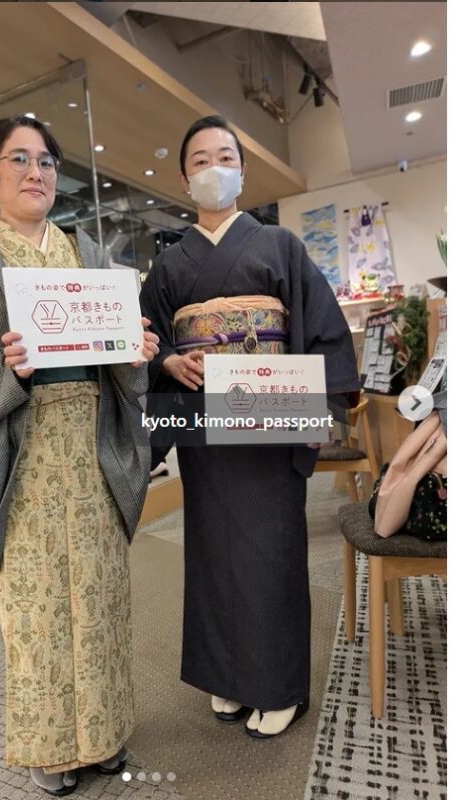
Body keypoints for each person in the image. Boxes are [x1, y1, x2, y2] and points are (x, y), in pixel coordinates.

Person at [0, 115, 159, 796]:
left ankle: (103, 733)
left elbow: (119, 357)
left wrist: (134, 351)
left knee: (102, 595)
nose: (35, 172)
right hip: (25, 453)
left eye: (45, 160)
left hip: (92, 447)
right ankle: (52, 747)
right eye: (18, 159)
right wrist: (3, 367)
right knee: (37, 604)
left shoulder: (87, 251)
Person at [140, 115, 360, 740]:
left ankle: (279, 686)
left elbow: (322, 329)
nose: (214, 169)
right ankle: (229, 678)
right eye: (201, 160)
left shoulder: (280, 245)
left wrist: (317, 407)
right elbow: (145, 337)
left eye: (225, 157)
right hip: (204, 423)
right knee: (212, 554)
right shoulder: (170, 265)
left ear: (242, 171)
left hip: (270, 417)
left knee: (271, 553)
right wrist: (167, 361)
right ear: (185, 179)